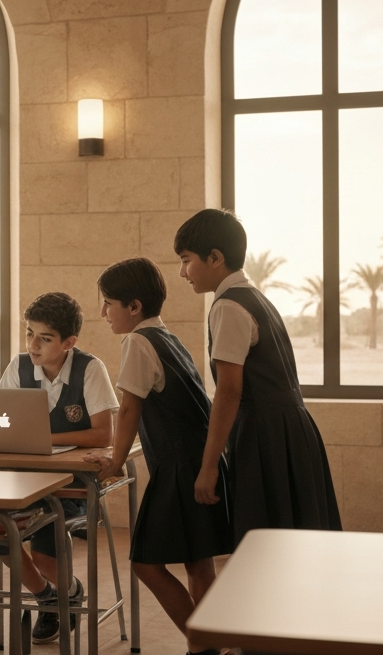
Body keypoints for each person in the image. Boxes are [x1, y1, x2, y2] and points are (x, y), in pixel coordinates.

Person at [86, 258, 233, 655]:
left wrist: (114, 463)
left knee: (145, 564)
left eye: (108, 304)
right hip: (201, 461)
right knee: (198, 564)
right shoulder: (167, 337)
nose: (103, 314)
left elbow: (130, 409)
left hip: (179, 469)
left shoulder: (137, 341)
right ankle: (208, 646)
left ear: (134, 307)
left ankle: (203, 645)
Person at [174, 208, 341, 539]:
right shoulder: (254, 297)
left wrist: (208, 468)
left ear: (215, 258)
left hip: (265, 434)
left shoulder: (227, 306)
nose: (182, 272)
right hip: (290, 427)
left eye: (186, 259)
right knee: (294, 537)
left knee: (266, 544)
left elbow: (229, 391)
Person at [0, 292, 116, 645]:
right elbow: (0, 421)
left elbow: (102, 433)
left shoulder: (90, 369)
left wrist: (42, 434)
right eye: (30, 333)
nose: (33, 344)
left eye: (44, 338)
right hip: (23, 478)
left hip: (69, 482)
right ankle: (50, 598)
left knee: (44, 554)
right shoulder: (18, 367)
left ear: (68, 342)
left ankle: (63, 590)